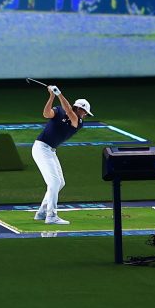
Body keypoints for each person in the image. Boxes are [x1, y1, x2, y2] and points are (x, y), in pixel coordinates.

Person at [31, 84, 91, 225]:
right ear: (80, 109)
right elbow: (46, 114)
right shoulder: (59, 110)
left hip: (50, 150)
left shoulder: (78, 122)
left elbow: (69, 111)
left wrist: (59, 94)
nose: (85, 115)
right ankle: (51, 215)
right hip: (41, 148)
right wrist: (52, 96)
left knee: (60, 183)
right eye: (85, 112)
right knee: (54, 182)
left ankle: (41, 212)